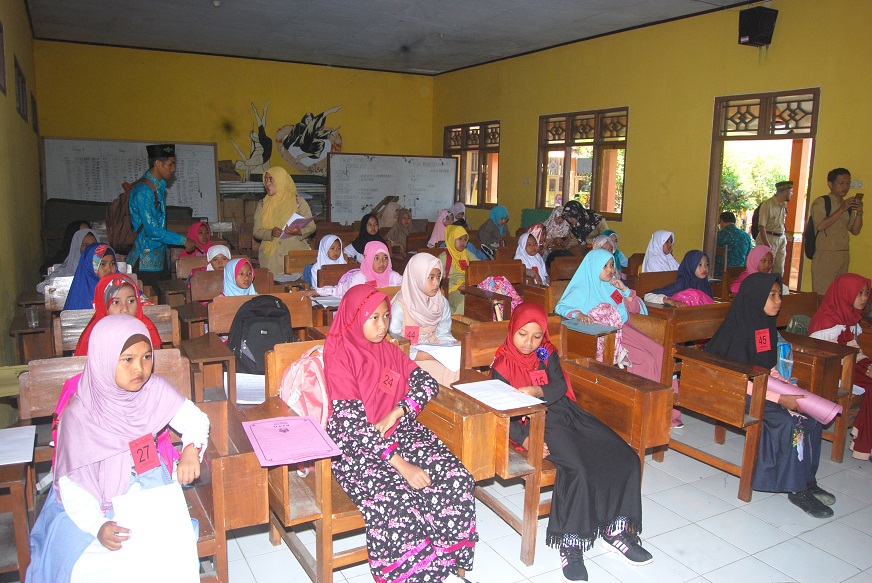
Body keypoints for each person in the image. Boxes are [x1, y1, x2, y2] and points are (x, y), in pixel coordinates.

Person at [26, 316, 210, 583]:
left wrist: (191, 449)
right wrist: (97, 525)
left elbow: (195, 419)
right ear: (103, 359)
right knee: (92, 565)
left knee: (167, 552)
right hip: (92, 500)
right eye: (127, 359)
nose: (139, 369)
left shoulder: (153, 389)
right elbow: (73, 485)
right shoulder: (78, 415)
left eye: (146, 357)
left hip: (146, 485)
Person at [324, 285, 477, 583]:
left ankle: (446, 561)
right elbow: (353, 425)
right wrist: (402, 465)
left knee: (456, 478)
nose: (382, 326)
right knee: (398, 499)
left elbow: (427, 384)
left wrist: (399, 411)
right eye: (373, 318)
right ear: (354, 318)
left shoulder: (389, 350)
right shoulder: (340, 357)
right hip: (357, 446)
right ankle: (415, 575)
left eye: (386, 316)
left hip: (400, 432)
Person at [491, 303, 652, 580]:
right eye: (522, 334)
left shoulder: (544, 352)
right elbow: (499, 409)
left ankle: (616, 531)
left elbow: (559, 386)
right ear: (512, 330)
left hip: (567, 412)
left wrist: (536, 390)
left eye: (537, 336)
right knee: (578, 468)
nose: (529, 343)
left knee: (625, 456)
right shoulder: (502, 364)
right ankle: (571, 544)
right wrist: (526, 440)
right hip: (534, 422)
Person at [705, 273, 838, 518]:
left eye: (779, 295)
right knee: (788, 420)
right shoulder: (738, 330)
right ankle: (796, 489)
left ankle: (807, 479)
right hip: (732, 389)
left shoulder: (763, 325)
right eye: (772, 295)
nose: (778, 301)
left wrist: (782, 381)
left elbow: (763, 365)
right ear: (756, 297)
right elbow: (737, 378)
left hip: (756, 385)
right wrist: (779, 399)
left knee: (811, 416)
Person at [555, 249, 663, 383]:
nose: (610, 270)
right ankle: (648, 395)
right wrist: (579, 314)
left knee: (660, 352)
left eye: (612, 265)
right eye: (604, 266)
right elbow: (561, 307)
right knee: (646, 360)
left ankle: (670, 395)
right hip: (607, 337)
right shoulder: (581, 289)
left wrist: (624, 290)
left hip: (626, 330)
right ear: (594, 266)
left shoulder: (612, 287)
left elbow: (634, 309)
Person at [809, 273, 872, 460]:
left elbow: (854, 350)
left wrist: (867, 364)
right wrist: (863, 368)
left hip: (849, 366)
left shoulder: (851, 316)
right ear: (846, 293)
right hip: (833, 371)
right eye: (859, 293)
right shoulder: (826, 321)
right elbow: (829, 359)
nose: (864, 298)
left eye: (866, 293)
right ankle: (864, 445)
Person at [127, 144, 198, 289]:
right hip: (145, 262)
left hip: (160, 258)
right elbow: (152, 230)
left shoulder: (157, 186)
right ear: (158, 163)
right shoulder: (143, 191)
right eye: (170, 164)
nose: (173, 169)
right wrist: (183, 240)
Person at [390, 253, 459, 386]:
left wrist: (452, 346)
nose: (436, 283)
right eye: (430, 277)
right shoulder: (400, 306)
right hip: (409, 356)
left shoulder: (441, 302)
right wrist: (429, 355)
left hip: (436, 350)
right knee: (448, 374)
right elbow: (394, 344)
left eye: (438, 277)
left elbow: (443, 334)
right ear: (417, 277)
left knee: (464, 368)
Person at [75, 273, 161, 355]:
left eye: (131, 301)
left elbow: (155, 360)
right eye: (116, 302)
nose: (125, 309)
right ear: (103, 306)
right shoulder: (94, 335)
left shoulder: (146, 328)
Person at [253, 166, 316, 277]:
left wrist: (298, 231)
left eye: (271, 179)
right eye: (265, 179)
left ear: (281, 180)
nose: (267, 183)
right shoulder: (263, 204)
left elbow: (311, 227)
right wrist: (270, 232)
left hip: (295, 256)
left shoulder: (298, 201)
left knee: (298, 285)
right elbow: (256, 231)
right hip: (271, 259)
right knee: (274, 285)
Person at [811, 168, 864, 295]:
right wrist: (841, 209)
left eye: (848, 183)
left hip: (843, 254)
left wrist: (859, 212)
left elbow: (855, 230)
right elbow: (820, 226)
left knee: (838, 294)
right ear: (830, 184)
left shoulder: (848, 205)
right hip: (826, 254)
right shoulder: (821, 202)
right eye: (841, 183)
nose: (845, 186)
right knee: (822, 294)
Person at [316, 241, 401, 298]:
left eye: (385, 258)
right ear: (368, 258)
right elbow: (339, 291)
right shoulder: (359, 278)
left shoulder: (393, 276)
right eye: (376, 258)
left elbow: (407, 287)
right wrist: (317, 291)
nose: (381, 262)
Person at [37, 227, 98, 293]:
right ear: (77, 247)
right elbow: (41, 288)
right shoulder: (65, 271)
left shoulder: (102, 268)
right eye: (85, 245)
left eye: (93, 245)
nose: (90, 248)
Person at [644, 250, 713, 306]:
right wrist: (670, 301)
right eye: (700, 265)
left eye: (706, 264)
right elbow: (648, 296)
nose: (704, 268)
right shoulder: (681, 284)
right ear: (690, 265)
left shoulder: (705, 285)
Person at [64, 243, 119, 310]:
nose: (109, 269)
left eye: (112, 263)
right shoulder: (80, 296)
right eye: (102, 264)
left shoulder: (121, 288)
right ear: (90, 266)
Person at [755, 181, 793, 275]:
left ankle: (776, 284)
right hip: (769, 237)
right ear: (785, 192)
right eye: (791, 191)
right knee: (765, 269)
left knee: (779, 270)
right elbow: (761, 226)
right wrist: (767, 245)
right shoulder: (767, 204)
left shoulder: (783, 205)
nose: (792, 194)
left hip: (781, 239)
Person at [440, 225, 478, 315]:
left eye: (465, 240)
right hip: (452, 288)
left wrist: (471, 282)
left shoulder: (467, 254)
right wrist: (457, 287)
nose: (463, 242)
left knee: (483, 301)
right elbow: (439, 279)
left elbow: (478, 266)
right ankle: (455, 321)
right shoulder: (443, 257)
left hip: (468, 285)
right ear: (451, 239)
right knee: (464, 303)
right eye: (459, 239)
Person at [715, 211, 753, 276]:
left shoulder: (719, 235)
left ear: (721, 221)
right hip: (740, 272)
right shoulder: (746, 236)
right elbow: (748, 256)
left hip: (722, 272)